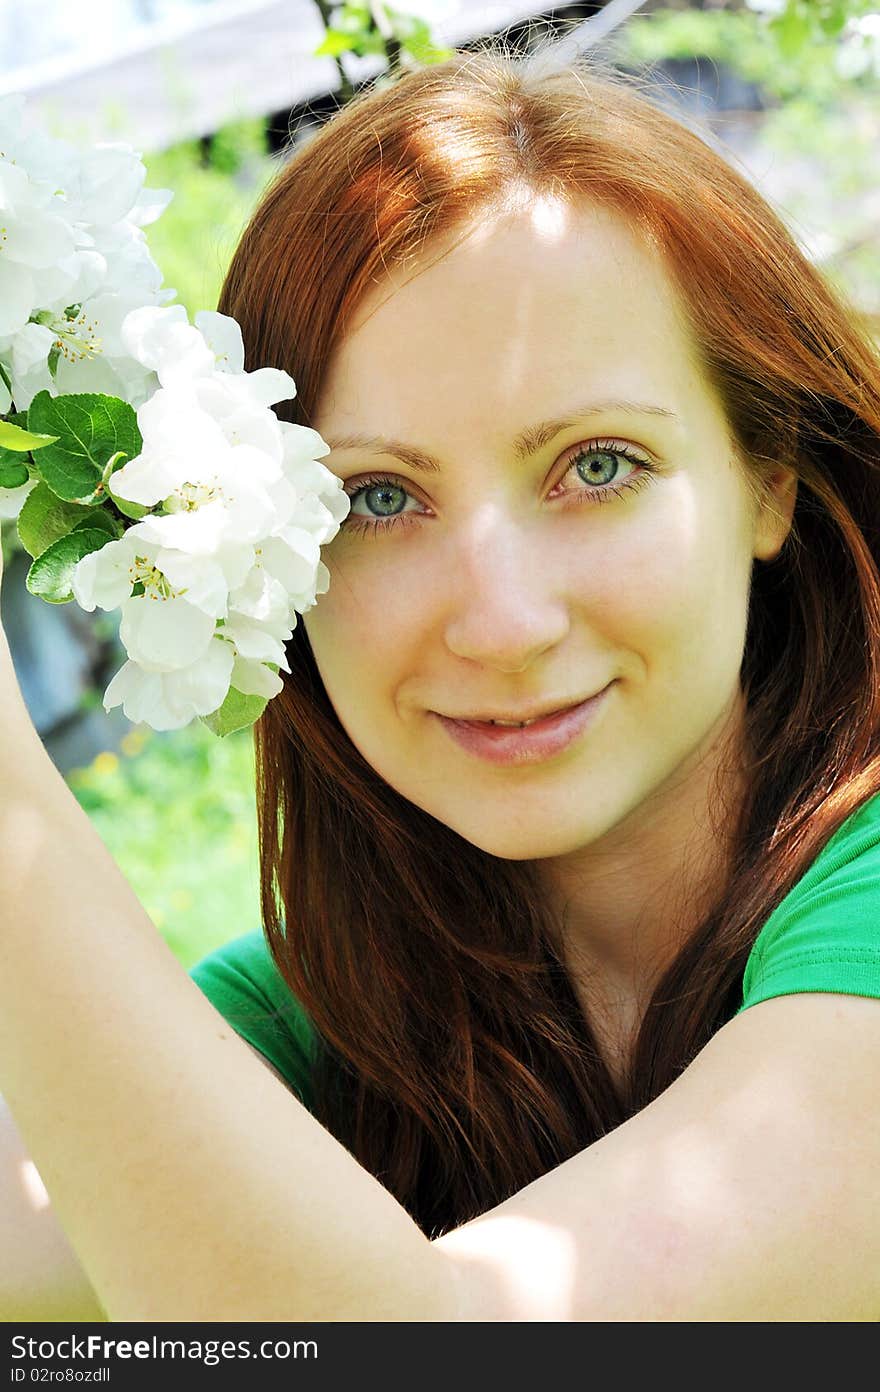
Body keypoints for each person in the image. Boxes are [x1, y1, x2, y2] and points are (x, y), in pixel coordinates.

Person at [1, 45, 879, 1324]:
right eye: (375, 497)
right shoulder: (339, 1006)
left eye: (598, 466)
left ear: (767, 480)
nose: (502, 623)